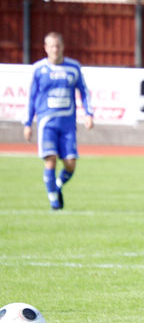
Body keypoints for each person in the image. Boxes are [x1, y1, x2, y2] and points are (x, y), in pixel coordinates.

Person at [22, 31, 94, 210]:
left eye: (58, 46)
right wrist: (28, 123)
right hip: (47, 123)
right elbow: (31, 97)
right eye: (51, 46)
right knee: (51, 159)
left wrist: (88, 113)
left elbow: (84, 91)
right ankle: (54, 201)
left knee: (70, 164)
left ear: (62, 47)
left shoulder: (73, 68)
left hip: (68, 125)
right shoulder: (39, 69)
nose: (55, 49)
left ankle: (57, 186)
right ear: (46, 48)